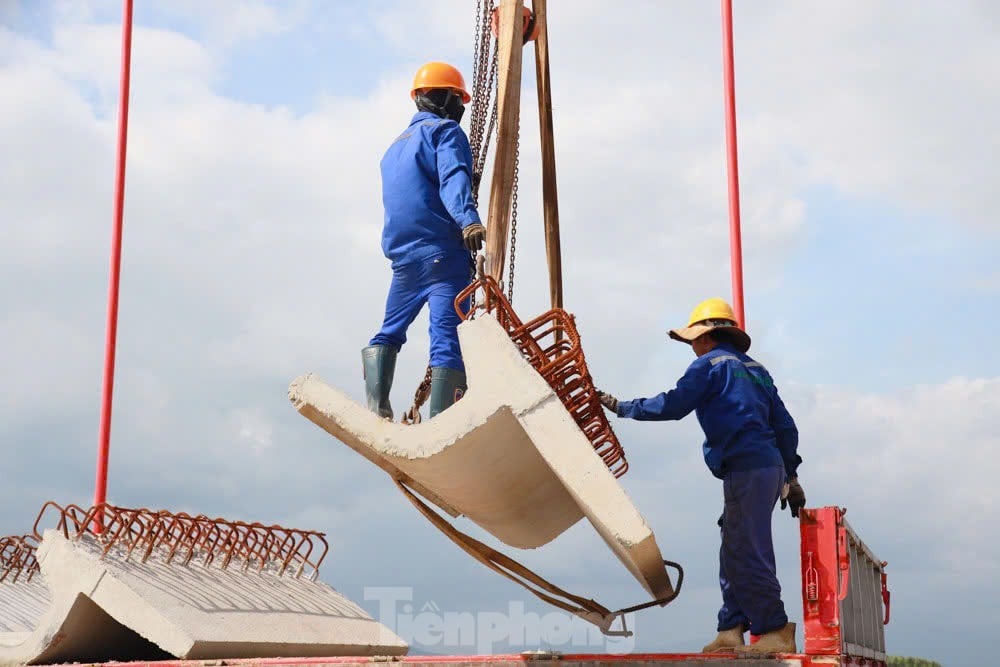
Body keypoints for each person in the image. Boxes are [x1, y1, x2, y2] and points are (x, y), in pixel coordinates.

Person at [597, 298, 805, 654]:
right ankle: (731, 626)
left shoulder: (708, 366)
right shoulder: (756, 369)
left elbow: (674, 404)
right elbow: (784, 425)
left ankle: (774, 629)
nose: (691, 346)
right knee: (734, 545)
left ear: (707, 336)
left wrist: (623, 407)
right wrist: (793, 477)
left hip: (747, 466)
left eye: (693, 339)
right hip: (768, 468)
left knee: (746, 549)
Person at [362, 62, 486, 421]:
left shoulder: (393, 148)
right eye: (458, 99)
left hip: (404, 259)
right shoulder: (445, 132)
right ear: (448, 98)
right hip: (443, 255)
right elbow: (451, 177)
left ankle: (377, 406)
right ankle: (444, 422)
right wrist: (469, 220)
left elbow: (417, 191)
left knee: (389, 330)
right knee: (447, 339)